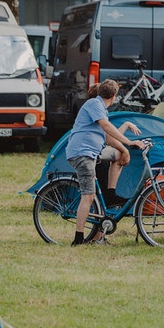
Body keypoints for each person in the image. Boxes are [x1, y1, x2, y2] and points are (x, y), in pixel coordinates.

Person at [68, 79, 146, 246]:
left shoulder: (100, 108)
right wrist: (130, 143)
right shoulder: (94, 105)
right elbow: (106, 127)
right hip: (83, 153)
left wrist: (125, 148)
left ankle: (110, 194)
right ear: (114, 96)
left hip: (94, 153)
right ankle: (78, 238)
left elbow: (109, 137)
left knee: (118, 155)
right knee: (88, 196)